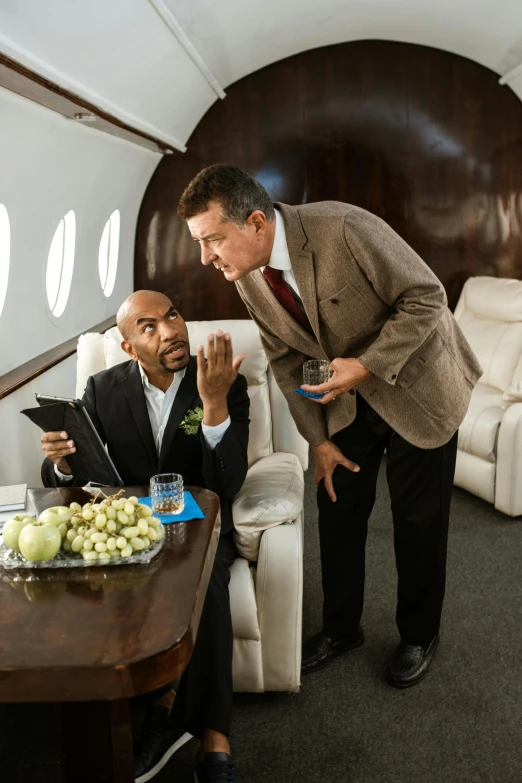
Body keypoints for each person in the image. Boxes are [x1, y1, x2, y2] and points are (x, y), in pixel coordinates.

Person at [177, 164, 482, 689]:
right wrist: (317, 441)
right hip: (346, 400)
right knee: (338, 507)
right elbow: (285, 362)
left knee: (417, 520)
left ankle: (418, 634)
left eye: (212, 240)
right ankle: (343, 628)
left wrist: (363, 366)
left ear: (254, 223)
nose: (207, 258)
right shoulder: (247, 274)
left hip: (418, 385)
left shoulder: (343, 227)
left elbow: (428, 298)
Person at [41, 290, 249, 783]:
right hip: (130, 526)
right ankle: (163, 703)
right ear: (130, 347)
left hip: (202, 522)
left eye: (172, 315)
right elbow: (77, 475)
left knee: (209, 580)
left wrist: (215, 403)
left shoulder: (222, 380)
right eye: (149, 326)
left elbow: (228, 481)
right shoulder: (101, 389)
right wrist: (60, 461)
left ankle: (214, 738)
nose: (170, 330)